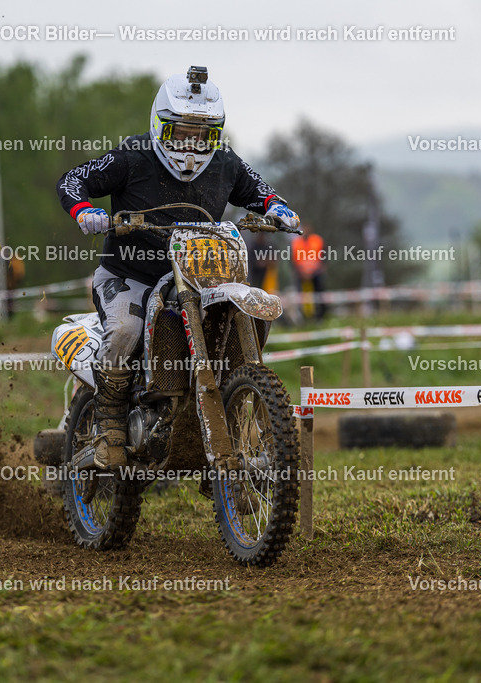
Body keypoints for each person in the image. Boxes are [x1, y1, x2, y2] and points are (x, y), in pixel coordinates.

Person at [56, 65, 300, 470]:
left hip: (199, 278)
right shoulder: (132, 156)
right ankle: (111, 423)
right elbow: (73, 180)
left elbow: (257, 188)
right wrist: (84, 211)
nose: (191, 143)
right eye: (181, 132)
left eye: (201, 133)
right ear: (160, 125)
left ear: (216, 133)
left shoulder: (224, 162)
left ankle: (233, 423)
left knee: (238, 317)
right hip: (129, 277)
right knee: (126, 331)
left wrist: (277, 207)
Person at [291, 224, 327, 321]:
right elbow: (293, 259)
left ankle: (320, 316)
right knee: (302, 295)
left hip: (316, 273)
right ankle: (304, 317)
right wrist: (300, 272)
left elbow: (324, 255)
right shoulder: (296, 242)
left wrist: (322, 268)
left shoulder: (317, 240)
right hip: (301, 274)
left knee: (319, 293)